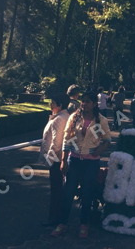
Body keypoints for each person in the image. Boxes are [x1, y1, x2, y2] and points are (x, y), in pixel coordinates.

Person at [51, 91, 112, 239]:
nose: (84, 104)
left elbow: (107, 139)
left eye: (87, 102)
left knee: (87, 193)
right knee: (68, 192)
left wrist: (100, 150)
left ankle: (84, 224)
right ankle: (63, 223)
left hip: (91, 161)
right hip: (74, 160)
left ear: (94, 104)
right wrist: (64, 160)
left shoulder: (101, 120)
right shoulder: (74, 117)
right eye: (83, 101)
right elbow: (67, 139)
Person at [39, 93, 71, 227]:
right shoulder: (62, 117)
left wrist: (49, 160)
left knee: (56, 190)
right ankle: (57, 215)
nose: (50, 105)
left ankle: (54, 217)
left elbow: (57, 143)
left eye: (53, 102)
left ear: (60, 105)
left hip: (56, 160)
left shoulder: (59, 119)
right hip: (57, 159)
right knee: (57, 189)